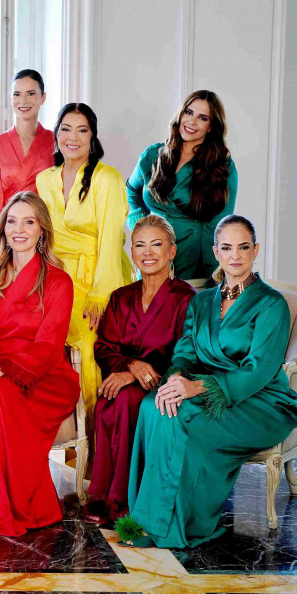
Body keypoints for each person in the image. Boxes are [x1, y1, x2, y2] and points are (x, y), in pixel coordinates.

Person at [120, 215, 297, 549]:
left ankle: (179, 525)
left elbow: (258, 371)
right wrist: (176, 378)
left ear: (255, 250)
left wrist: (196, 388)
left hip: (261, 402)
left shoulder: (271, 303)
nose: (235, 256)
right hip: (205, 389)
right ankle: (146, 519)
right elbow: (185, 350)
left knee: (187, 420)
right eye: (227, 248)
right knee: (153, 405)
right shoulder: (202, 300)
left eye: (243, 247)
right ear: (216, 252)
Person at [0, 192, 80, 537]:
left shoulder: (58, 280)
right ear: (3, 229)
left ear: (42, 230)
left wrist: (3, 370)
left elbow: (49, 345)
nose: (19, 229)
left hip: (46, 375)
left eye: (29, 222)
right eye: (12, 221)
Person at [85, 215, 196, 523]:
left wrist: (141, 374)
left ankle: (122, 500)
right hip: (124, 379)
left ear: (172, 251)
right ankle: (105, 494)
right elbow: (104, 347)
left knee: (125, 401)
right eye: (139, 245)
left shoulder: (187, 299)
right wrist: (130, 366)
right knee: (109, 401)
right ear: (131, 252)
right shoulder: (120, 297)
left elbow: (187, 353)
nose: (147, 252)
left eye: (156, 244)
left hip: (164, 384)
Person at [37, 103, 133, 415]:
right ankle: (56, 422)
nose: (73, 137)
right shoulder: (44, 180)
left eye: (82, 130)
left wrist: (101, 296)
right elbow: (42, 237)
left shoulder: (107, 178)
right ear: (56, 134)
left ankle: (93, 428)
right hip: (55, 277)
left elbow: (111, 240)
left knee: (88, 338)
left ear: (92, 136)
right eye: (66, 129)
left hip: (96, 278)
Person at [126, 90, 237, 282]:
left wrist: (214, 278)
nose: (191, 122)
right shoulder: (153, 155)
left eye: (202, 118)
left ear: (211, 127)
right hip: (152, 257)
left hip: (194, 263)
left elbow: (220, 226)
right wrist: (141, 226)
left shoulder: (222, 166)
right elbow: (132, 190)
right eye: (189, 112)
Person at [0, 69, 54, 272]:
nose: (23, 100)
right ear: (10, 99)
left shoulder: (56, 143)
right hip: (8, 237)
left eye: (31, 93)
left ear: (43, 97)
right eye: (17, 94)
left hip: (44, 235)